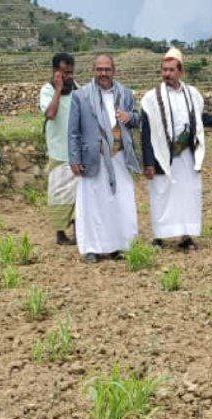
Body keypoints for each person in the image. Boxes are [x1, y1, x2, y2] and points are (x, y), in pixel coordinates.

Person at [140, 48, 212, 250]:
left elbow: (200, 121)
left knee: (188, 194)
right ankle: (159, 237)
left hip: (186, 155)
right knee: (161, 193)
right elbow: (147, 132)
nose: (166, 74)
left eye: (171, 70)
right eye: (164, 70)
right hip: (163, 156)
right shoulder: (151, 99)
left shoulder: (192, 94)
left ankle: (186, 237)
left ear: (180, 72)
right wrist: (148, 162)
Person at [67, 55, 142, 263]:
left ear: (114, 70)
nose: (103, 73)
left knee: (120, 201)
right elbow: (73, 131)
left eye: (107, 69)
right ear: (93, 71)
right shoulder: (80, 96)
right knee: (92, 204)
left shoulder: (125, 94)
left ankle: (120, 245)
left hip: (119, 157)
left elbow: (137, 118)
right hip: (93, 158)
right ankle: (92, 247)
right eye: (99, 69)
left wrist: (130, 117)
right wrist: (74, 158)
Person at [39, 53, 78, 245]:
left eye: (70, 72)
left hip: (76, 152)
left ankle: (79, 232)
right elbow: (51, 113)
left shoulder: (77, 89)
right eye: (64, 73)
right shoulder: (46, 90)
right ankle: (60, 234)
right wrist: (58, 90)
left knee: (79, 194)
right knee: (59, 192)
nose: (68, 76)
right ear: (56, 72)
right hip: (58, 151)